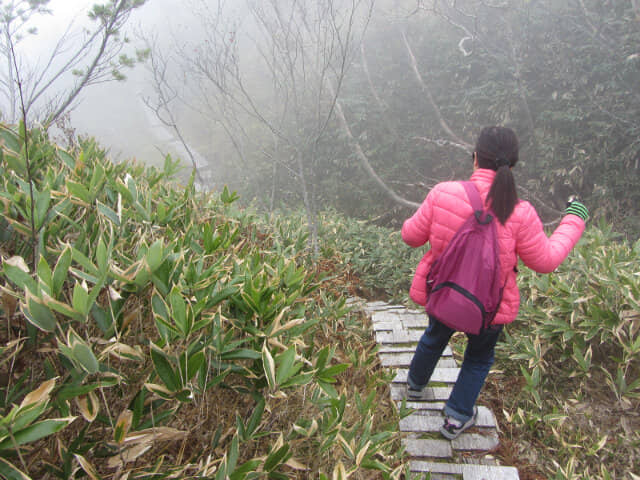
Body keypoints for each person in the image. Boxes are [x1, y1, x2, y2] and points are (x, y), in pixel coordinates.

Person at [401, 126, 588, 439]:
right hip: (490, 307)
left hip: (446, 294)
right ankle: (457, 417)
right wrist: (574, 219)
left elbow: (410, 235)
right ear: (511, 166)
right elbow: (545, 261)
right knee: (478, 357)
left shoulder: (443, 193)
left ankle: (415, 386)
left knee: (434, 335)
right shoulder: (521, 212)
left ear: (475, 158)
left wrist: (431, 217)